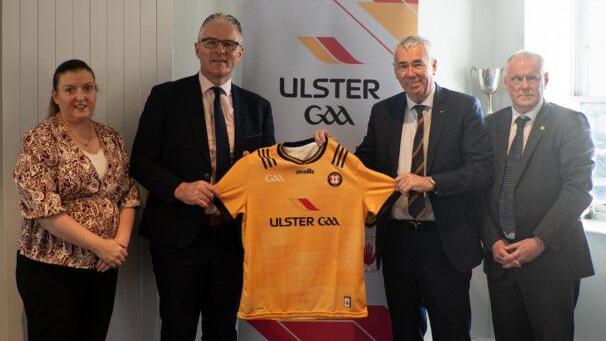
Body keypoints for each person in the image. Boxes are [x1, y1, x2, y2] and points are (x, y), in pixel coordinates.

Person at [315, 35, 492, 340]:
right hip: (397, 242)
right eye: (403, 66)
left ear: (433, 65)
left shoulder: (464, 107)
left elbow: (481, 170)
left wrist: (431, 183)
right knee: (404, 331)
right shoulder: (384, 111)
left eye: (418, 64)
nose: (411, 73)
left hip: (444, 242)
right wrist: (334, 155)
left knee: (452, 331)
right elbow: (364, 166)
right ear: (395, 71)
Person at [130, 13, 275, 341]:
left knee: (223, 330)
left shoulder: (258, 108)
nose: (219, 50)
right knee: (176, 329)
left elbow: (269, 174)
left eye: (229, 44)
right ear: (196, 48)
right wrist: (179, 188)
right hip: (177, 238)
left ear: (241, 53)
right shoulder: (165, 98)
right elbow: (140, 161)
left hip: (233, 241)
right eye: (211, 42)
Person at [13, 59, 140, 341]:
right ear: (56, 96)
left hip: (103, 266)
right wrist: (101, 246)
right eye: (70, 90)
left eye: (88, 88)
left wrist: (117, 246)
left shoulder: (112, 137)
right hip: (51, 268)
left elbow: (128, 195)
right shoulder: (40, 139)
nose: (80, 96)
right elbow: (43, 208)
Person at [481, 51, 594, 341]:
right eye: (517, 78)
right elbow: (478, 190)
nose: (524, 85)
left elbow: (577, 190)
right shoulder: (490, 124)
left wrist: (539, 240)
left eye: (531, 77)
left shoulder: (570, 122)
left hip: (552, 262)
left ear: (544, 79)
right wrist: (492, 239)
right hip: (502, 262)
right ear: (506, 83)